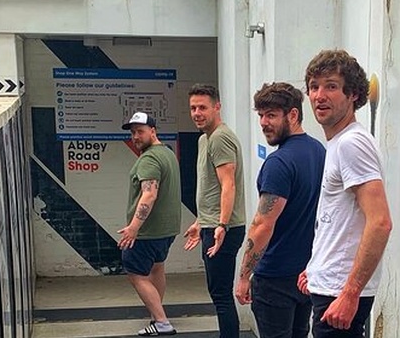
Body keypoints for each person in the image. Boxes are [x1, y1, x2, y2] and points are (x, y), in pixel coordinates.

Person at [298, 49, 392, 338]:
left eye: (331, 86)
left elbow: (380, 222)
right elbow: (341, 218)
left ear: (353, 94)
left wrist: (350, 293)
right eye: (314, 87)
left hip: (340, 294)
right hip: (330, 286)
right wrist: (315, 268)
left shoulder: (352, 143)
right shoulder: (340, 142)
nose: (319, 95)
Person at [234, 82, 326, 338]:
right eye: (261, 115)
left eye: (271, 115)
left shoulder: (278, 163)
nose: (264, 122)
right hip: (305, 274)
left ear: (293, 115)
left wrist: (244, 276)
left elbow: (262, 224)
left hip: (275, 278)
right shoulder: (318, 151)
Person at [183, 84, 247, 338]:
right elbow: (211, 188)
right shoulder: (204, 139)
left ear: (217, 107)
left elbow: (228, 184)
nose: (197, 113)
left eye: (202, 107)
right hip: (212, 225)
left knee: (221, 294)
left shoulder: (220, 138)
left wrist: (221, 225)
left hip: (225, 229)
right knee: (217, 292)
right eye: (193, 108)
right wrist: (201, 221)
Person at [117, 111, 182, 337]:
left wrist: (134, 227)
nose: (136, 136)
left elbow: (149, 195)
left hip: (148, 231)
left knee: (135, 273)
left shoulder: (149, 159)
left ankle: (162, 322)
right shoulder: (167, 153)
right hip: (166, 229)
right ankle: (157, 315)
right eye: (133, 132)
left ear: (153, 131)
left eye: (140, 131)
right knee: (157, 268)